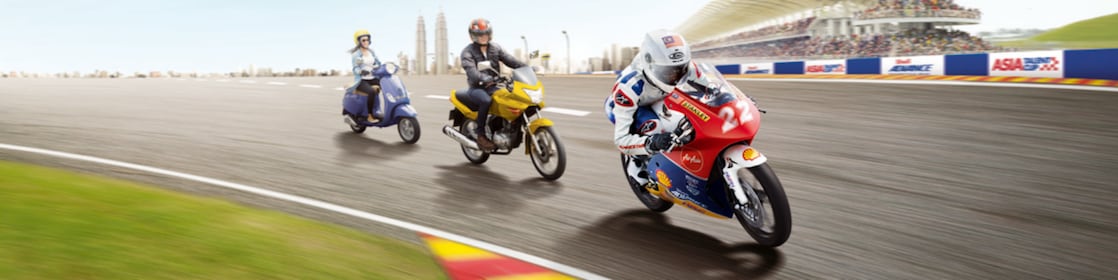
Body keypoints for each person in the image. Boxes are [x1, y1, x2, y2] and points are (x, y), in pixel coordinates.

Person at [609, 29, 716, 187]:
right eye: (668, 73)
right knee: (655, 127)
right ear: (650, 64)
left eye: (681, 70)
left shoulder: (680, 65)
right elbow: (620, 141)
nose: (676, 76)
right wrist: (652, 142)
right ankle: (635, 164)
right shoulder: (628, 88)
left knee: (686, 117)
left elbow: (713, 87)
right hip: (630, 105)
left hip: (659, 96)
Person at [460, 18, 526, 151]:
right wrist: (484, 78)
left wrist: (527, 68)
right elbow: (471, 71)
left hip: (495, 85)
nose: (483, 37)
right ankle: (481, 136)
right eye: (479, 35)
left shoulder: (495, 48)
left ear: (490, 34)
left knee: (514, 98)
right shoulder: (467, 52)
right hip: (477, 87)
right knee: (486, 100)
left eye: (485, 34)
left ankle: (510, 128)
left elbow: (510, 60)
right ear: (473, 36)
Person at [351, 29, 383, 123]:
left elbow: (378, 63)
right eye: (363, 40)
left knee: (386, 86)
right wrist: (361, 71)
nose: (366, 42)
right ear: (359, 42)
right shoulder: (356, 54)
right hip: (362, 80)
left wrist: (380, 67)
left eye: (367, 39)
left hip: (373, 78)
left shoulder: (371, 52)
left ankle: (378, 110)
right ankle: (370, 116)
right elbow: (355, 68)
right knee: (371, 92)